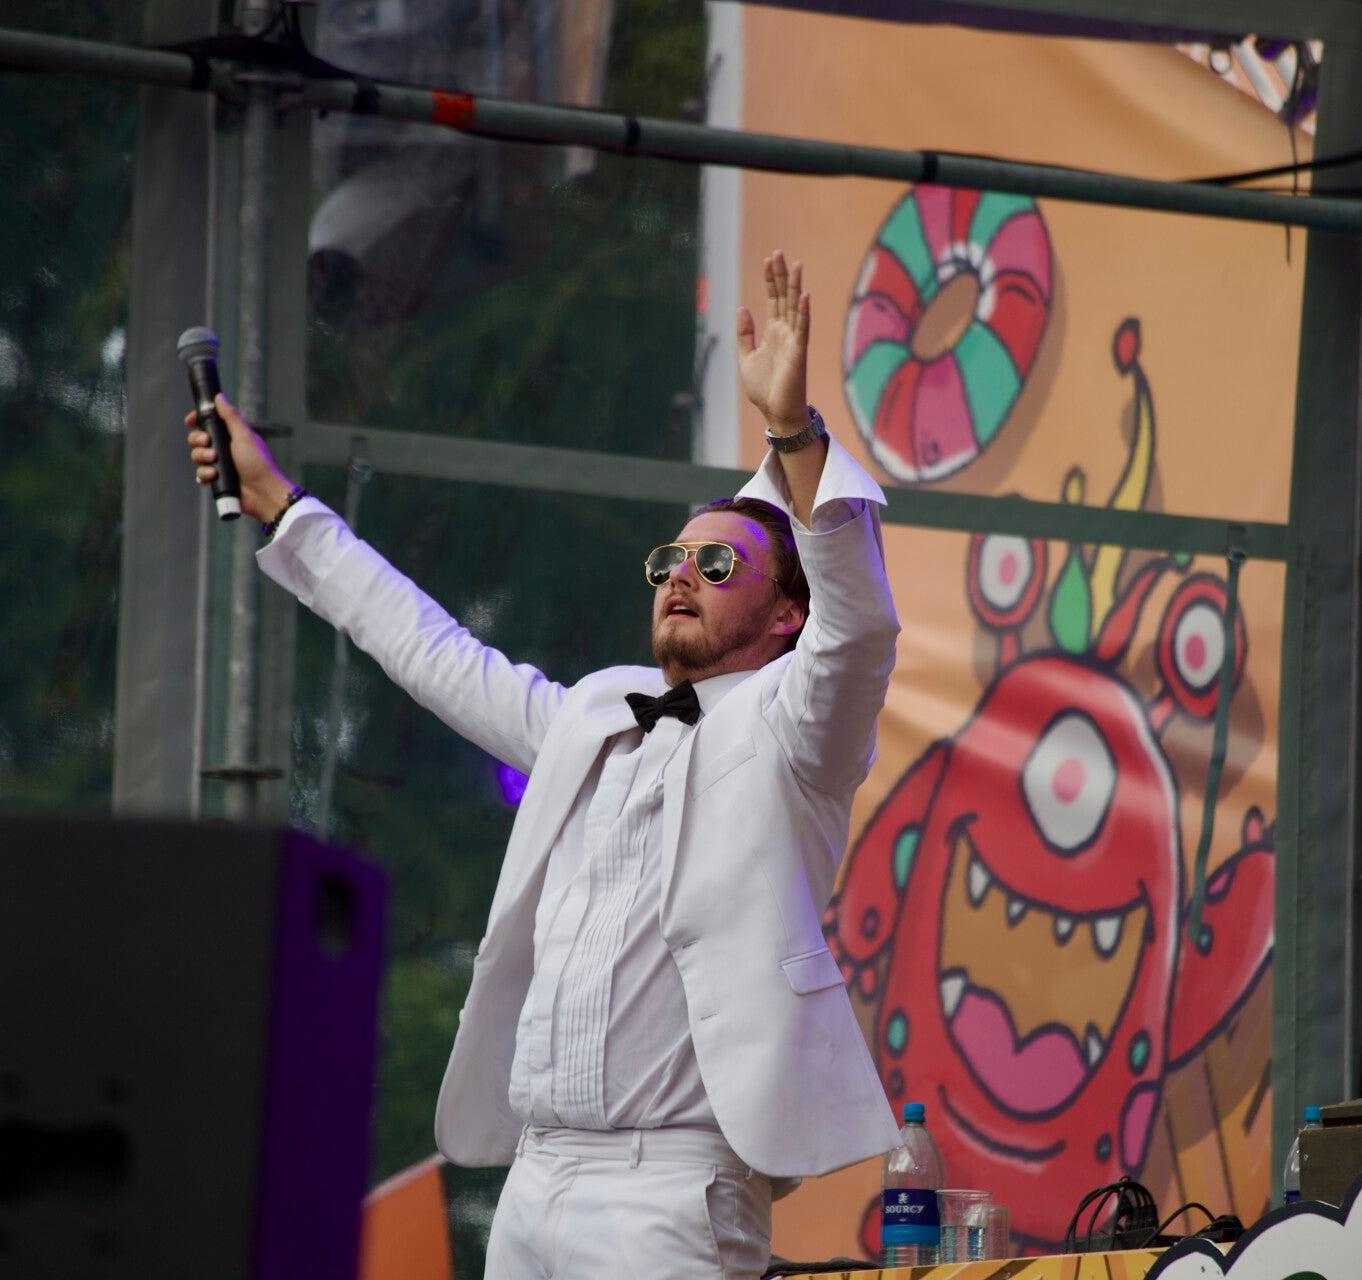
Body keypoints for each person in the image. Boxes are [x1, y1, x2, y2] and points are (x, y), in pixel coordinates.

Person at [186, 252, 899, 1278]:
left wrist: (793, 434)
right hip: (535, 1176)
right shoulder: (595, 713)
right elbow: (430, 649)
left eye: (716, 563)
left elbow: (860, 624)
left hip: (672, 1186)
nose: (681, 577)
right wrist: (281, 505)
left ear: (788, 614)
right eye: (668, 561)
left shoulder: (799, 728)